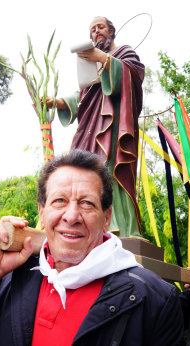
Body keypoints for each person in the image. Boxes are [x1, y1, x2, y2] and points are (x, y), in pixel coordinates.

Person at [0, 149, 183, 345]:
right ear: (42, 212)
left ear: (107, 218)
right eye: (59, 201)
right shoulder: (8, 277)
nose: (71, 216)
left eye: (86, 203)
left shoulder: (155, 298)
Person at [44, 17, 145, 237]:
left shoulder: (124, 53)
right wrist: (57, 103)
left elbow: (134, 75)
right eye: (92, 30)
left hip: (114, 126)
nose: (96, 32)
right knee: (83, 171)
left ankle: (122, 228)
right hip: (90, 128)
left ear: (112, 31)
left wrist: (103, 58)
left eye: (100, 27)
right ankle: (85, 222)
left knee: (108, 171)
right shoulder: (92, 67)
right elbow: (83, 95)